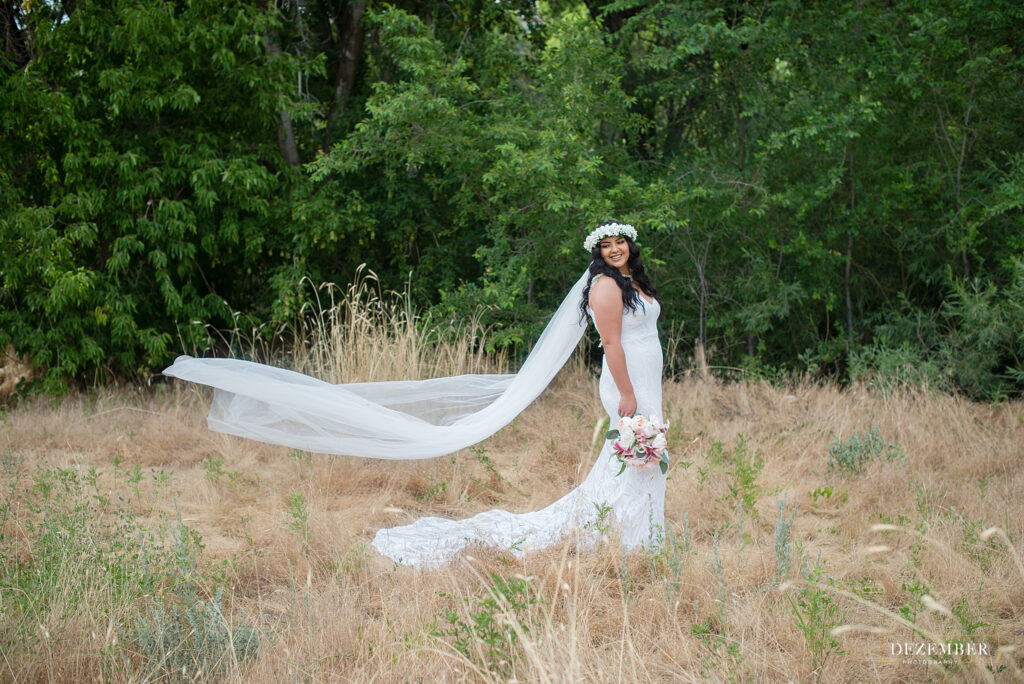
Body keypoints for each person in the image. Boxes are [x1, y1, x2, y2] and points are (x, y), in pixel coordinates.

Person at [371, 221, 666, 566]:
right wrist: (627, 394)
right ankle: (625, 538)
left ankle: (637, 535)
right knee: (633, 454)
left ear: (630, 244)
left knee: (642, 456)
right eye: (606, 246)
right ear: (597, 252)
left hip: (645, 380)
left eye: (620, 242)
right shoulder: (605, 288)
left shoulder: (632, 282)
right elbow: (612, 342)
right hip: (627, 382)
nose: (615, 249)